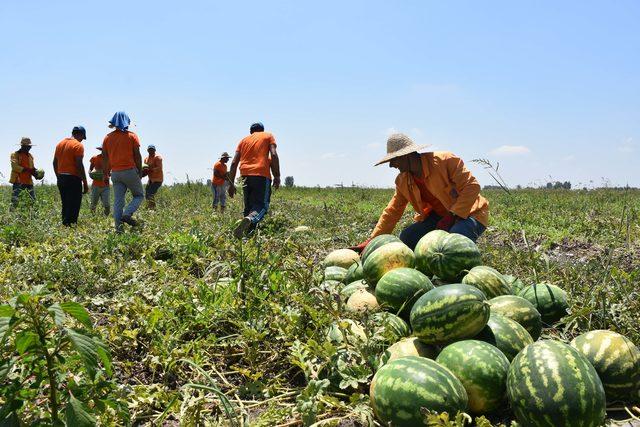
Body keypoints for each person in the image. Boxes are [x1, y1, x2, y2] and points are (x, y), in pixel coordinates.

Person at [352, 133, 489, 252]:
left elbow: (472, 186)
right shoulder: (403, 181)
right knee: (407, 236)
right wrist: (372, 241)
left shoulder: (445, 161)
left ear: (406, 156)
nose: (391, 165)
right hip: (440, 217)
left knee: (454, 239)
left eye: (394, 160)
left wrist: (453, 216)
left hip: (470, 214)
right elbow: (393, 211)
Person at [229, 122, 281, 238]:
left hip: (245, 175)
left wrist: (231, 184)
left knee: (249, 206)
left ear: (251, 132)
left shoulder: (243, 141)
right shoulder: (268, 136)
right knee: (262, 205)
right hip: (261, 175)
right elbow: (274, 155)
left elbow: (233, 163)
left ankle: (247, 234)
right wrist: (277, 176)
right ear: (262, 130)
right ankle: (250, 219)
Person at [102, 111, 144, 232]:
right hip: (129, 171)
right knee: (139, 195)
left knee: (118, 201)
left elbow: (105, 158)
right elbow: (137, 155)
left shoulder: (107, 138)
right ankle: (127, 213)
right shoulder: (132, 136)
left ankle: (119, 230)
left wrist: (105, 174)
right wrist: (140, 171)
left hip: (115, 173)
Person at [53, 126, 89, 226]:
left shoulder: (60, 144)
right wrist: (85, 183)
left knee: (65, 204)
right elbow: (79, 165)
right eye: (82, 137)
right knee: (74, 204)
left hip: (61, 178)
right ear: (80, 134)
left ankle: (65, 225)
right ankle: (71, 227)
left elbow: (54, 162)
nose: (82, 140)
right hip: (73, 179)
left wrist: (58, 177)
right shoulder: (78, 145)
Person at [9, 137, 37, 207]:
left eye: (29, 146)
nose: (29, 148)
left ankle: (29, 216)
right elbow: (14, 167)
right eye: (27, 146)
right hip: (18, 182)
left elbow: (32, 169)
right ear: (22, 146)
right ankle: (12, 216)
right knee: (15, 202)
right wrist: (27, 169)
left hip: (29, 182)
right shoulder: (15, 155)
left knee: (32, 201)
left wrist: (36, 174)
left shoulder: (30, 156)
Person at [89, 147, 110, 215]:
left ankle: (106, 218)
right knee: (93, 203)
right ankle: (93, 217)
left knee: (107, 204)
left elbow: (112, 171)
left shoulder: (110, 159)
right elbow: (90, 169)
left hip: (106, 185)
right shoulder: (95, 158)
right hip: (96, 185)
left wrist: (108, 174)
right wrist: (91, 174)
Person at [144, 144, 163, 209]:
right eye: (149, 150)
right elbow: (145, 169)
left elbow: (159, 168)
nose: (151, 151)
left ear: (154, 150)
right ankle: (150, 207)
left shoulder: (158, 158)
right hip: (150, 180)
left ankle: (152, 208)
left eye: (152, 149)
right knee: (147, 193)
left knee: (151, 194)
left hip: (158, 180)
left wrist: (150, 170)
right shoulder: (146, 159)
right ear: (147, 150)